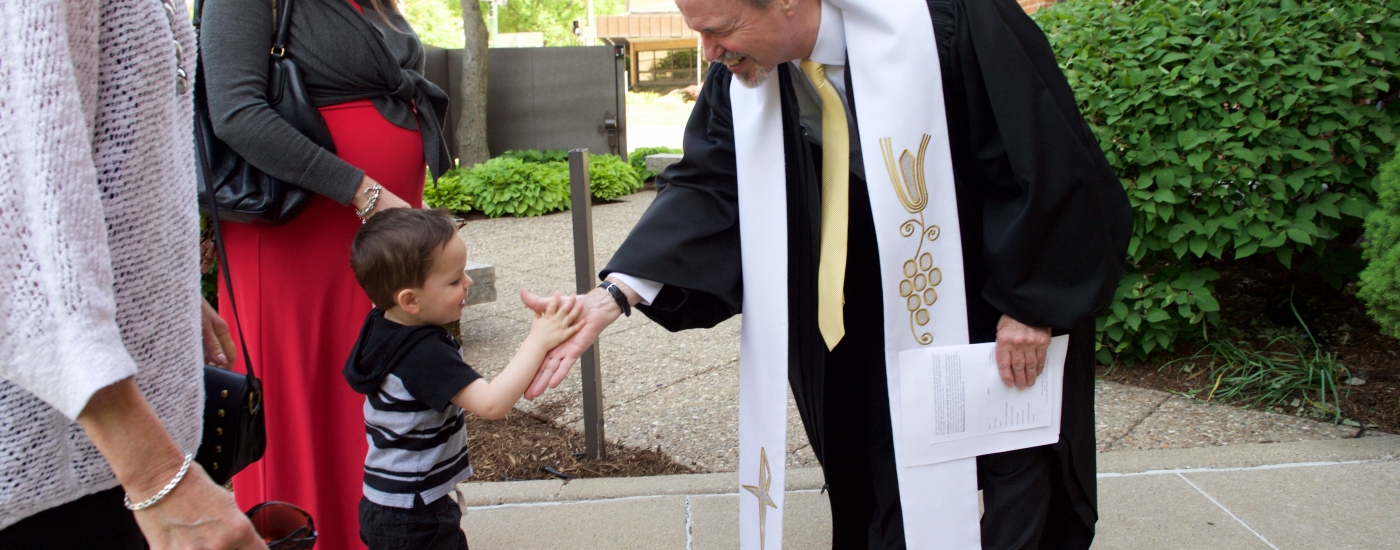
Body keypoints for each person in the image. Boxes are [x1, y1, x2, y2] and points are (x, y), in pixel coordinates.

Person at [522, 0, 1133, 548]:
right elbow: (711, 185)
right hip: (861, 312)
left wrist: (1033, 303)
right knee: (878, 471)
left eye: (721, 30)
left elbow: (1047, 154)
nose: (710, 53)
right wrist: (617, 294)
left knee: (1017, 481)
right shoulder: (746, 74)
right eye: (699, 34)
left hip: (989, 291)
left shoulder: (953, 19)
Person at [0, 0, 264, 547]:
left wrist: (162, 283)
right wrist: (157, 479)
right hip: (66, 471)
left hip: (118, 456)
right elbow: (19, 237)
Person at [199, 0, 453, 545]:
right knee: (305, 406)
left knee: (377, 399)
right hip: (300, 237)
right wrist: (362, 191)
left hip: (370, 235)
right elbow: (236, 111)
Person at [343, 209, 581, 549]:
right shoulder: (422, 353)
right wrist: (538, 339)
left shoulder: (382, 325)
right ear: (410, 300)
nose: (467, 283)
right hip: (415, 513)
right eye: (454, 280)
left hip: (385, 502)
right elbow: (491, 403)